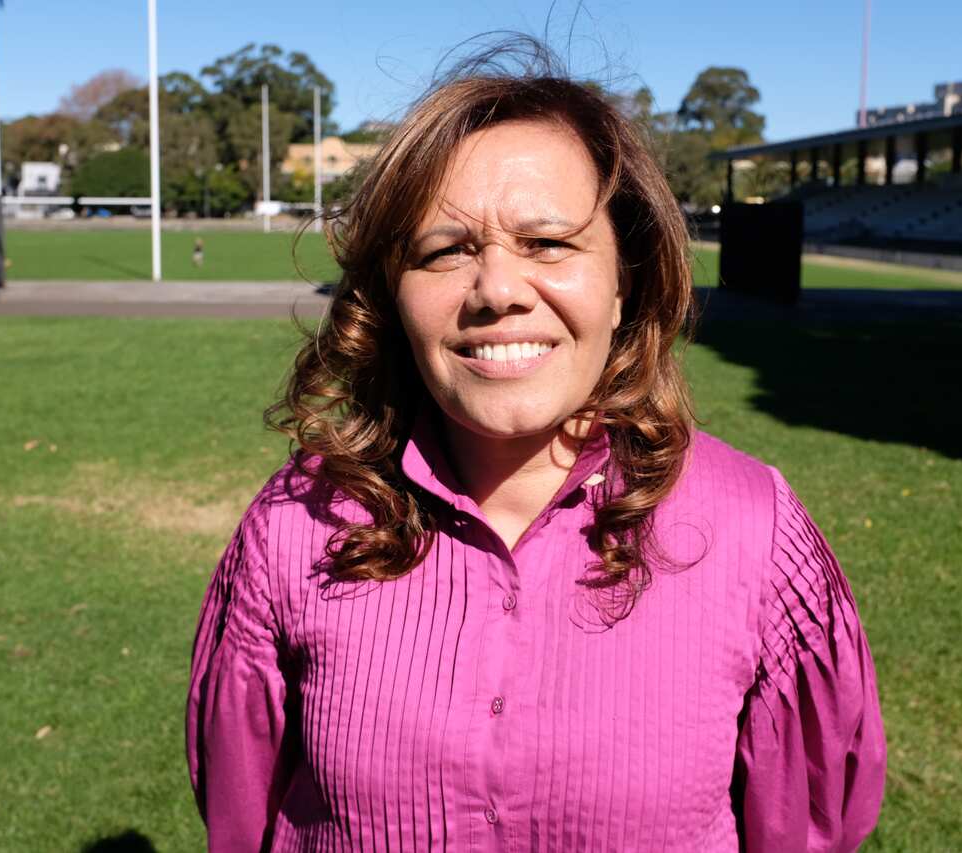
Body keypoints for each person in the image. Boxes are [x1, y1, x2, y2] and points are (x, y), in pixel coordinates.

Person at [186, 61, 886, 852]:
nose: (498, 289)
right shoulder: (296, 525)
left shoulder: (755, 530)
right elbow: (242, 809)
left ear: (624, 281)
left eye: (548, 243)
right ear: (392, 292)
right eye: (445, 250)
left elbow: (812, 821)